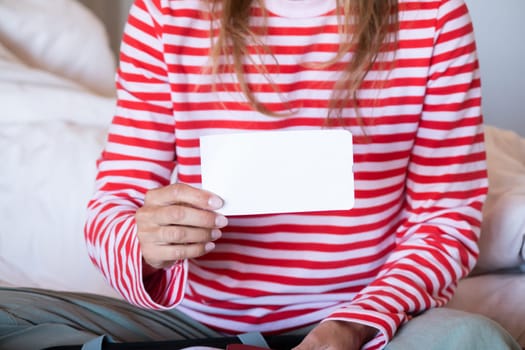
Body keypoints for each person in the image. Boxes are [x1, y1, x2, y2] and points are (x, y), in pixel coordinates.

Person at [0, 0, 520, 350]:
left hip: (368, 319)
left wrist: (353, 326)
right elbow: (112, 205)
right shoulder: (165, 11)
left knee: (475, 338)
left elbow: (446, 219)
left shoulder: (432, 17)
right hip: (194, 320)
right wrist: (143, 242)